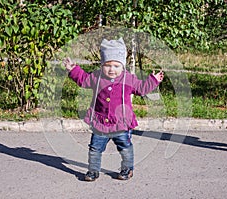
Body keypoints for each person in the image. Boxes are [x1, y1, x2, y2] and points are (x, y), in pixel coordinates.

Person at [63, 38, 164, 181]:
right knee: (94, 148)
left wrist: (153, 80)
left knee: (125, 147)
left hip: (121, 123)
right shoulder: (97, 77)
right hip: (100, 123)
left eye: (116, 66)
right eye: (107, 65)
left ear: (122, 66)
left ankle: (127, 169)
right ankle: (93, 171)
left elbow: (141, 89)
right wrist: (73, 69)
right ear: (102, 65)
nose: (111, 70)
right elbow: (83, 79)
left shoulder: (128, 79)